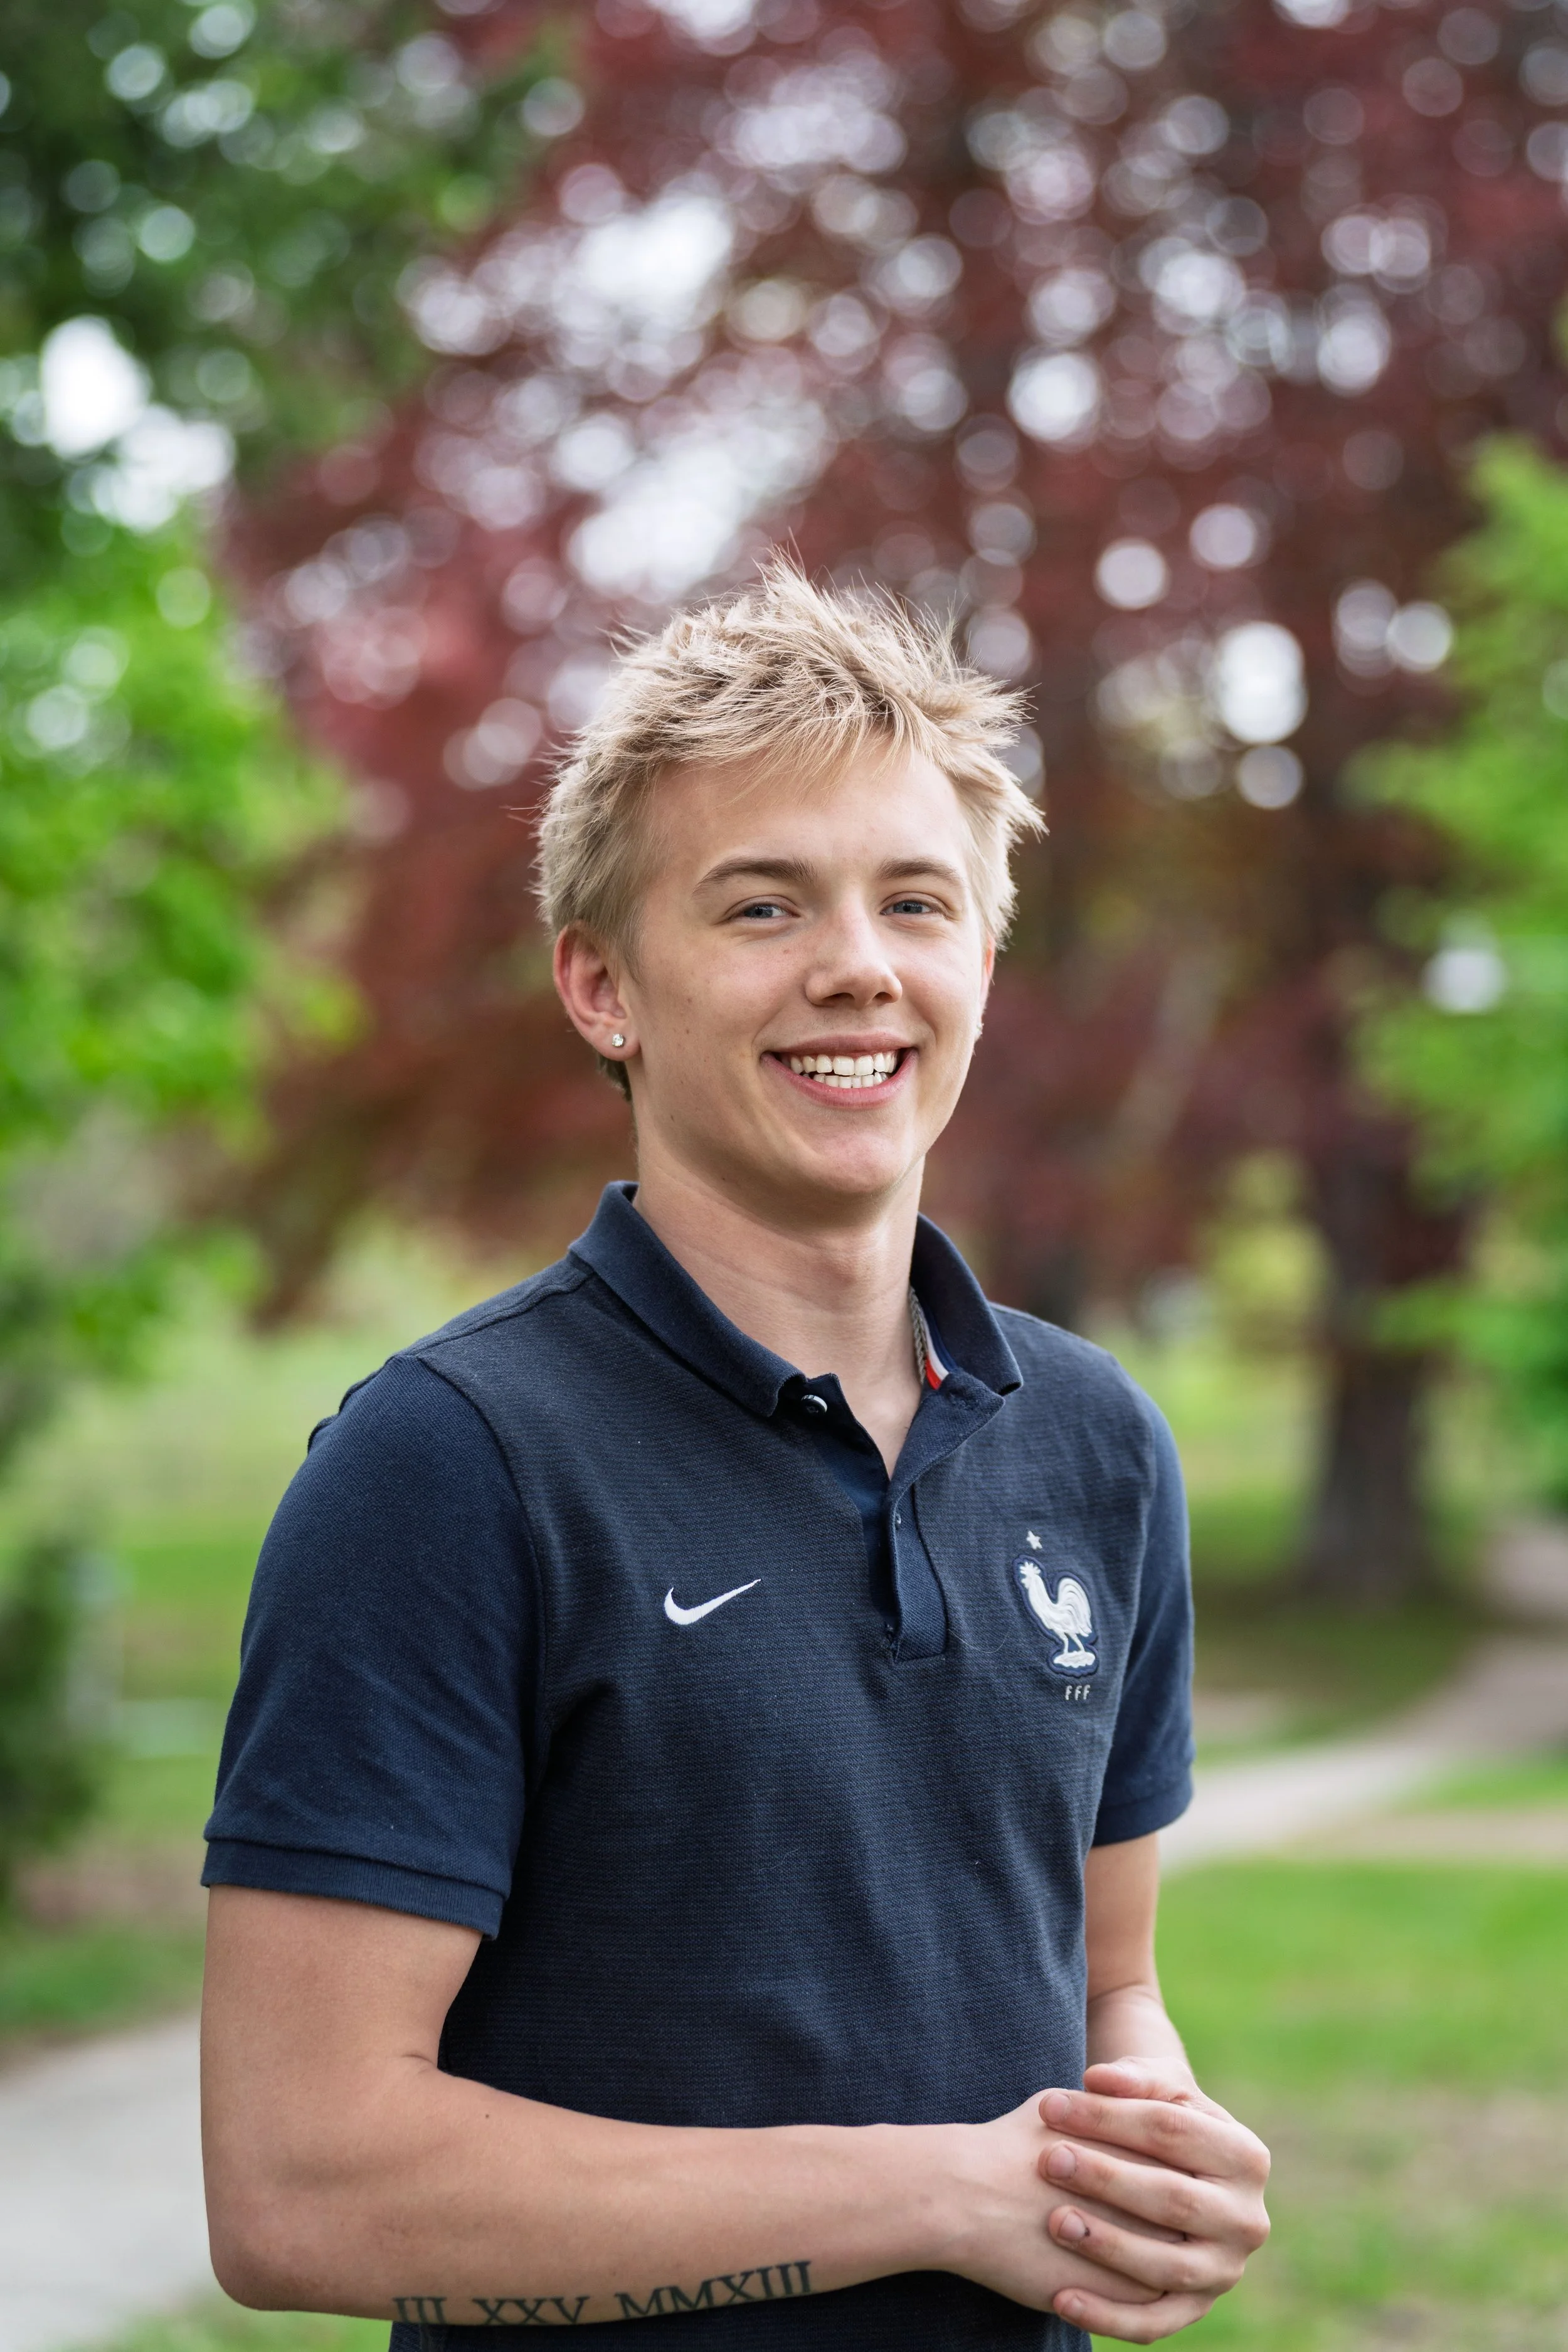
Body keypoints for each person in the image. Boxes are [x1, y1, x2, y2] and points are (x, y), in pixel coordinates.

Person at [201, 567, 1269, 2349]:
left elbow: (1110, 1984)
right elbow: (303, 2178)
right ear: (603, 985)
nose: (856, 962)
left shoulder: (1097, 1448)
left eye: (913, 901)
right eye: (761, 905)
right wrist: (937, 2189)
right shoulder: (446, 1464)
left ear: (979, 966)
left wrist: (1144, 2154)